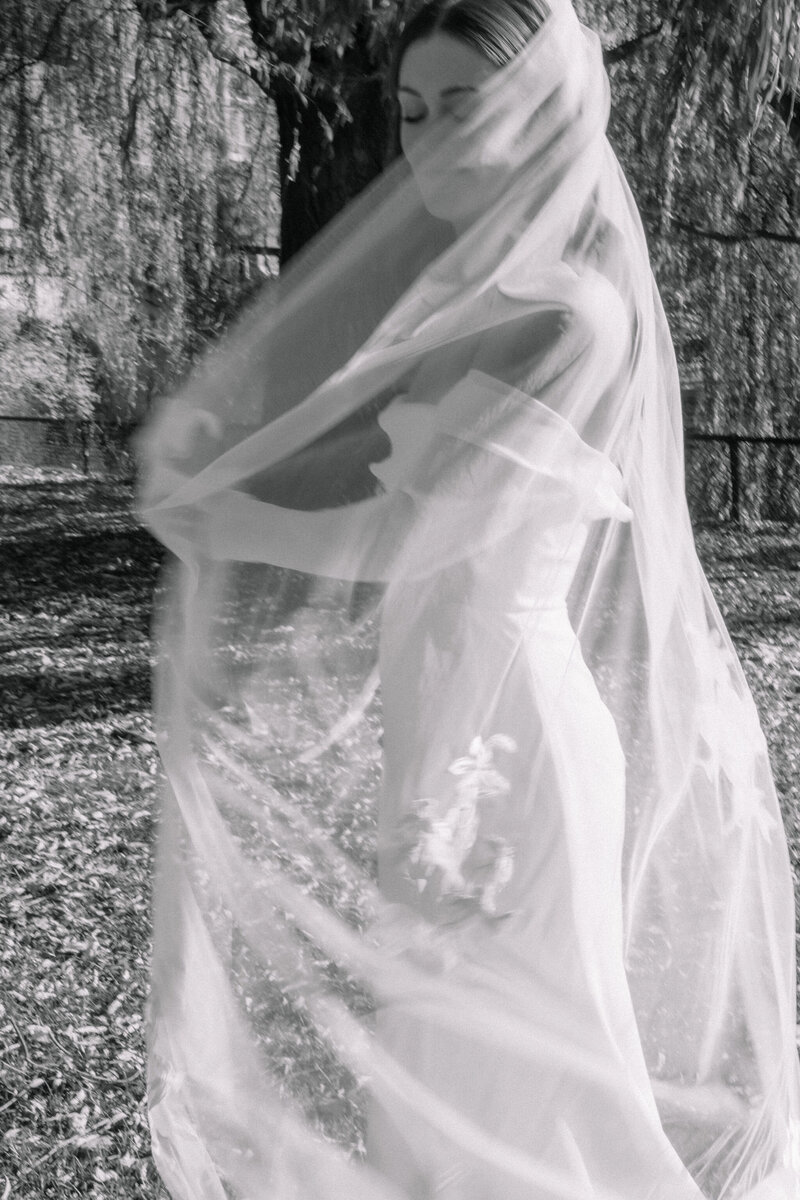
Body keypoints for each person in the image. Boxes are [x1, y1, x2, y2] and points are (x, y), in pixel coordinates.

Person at [139, 1, 800, 1197]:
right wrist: (214, 457)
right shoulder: (482, 302)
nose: (427, 142)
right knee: (448, 1058)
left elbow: (407, 537)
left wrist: (219, 515)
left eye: (462, 107)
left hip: (516, 745)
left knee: (533, 1074)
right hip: (441, 721)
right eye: (407, 113)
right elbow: (365, 467)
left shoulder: (569, 314)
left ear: (542, 113)